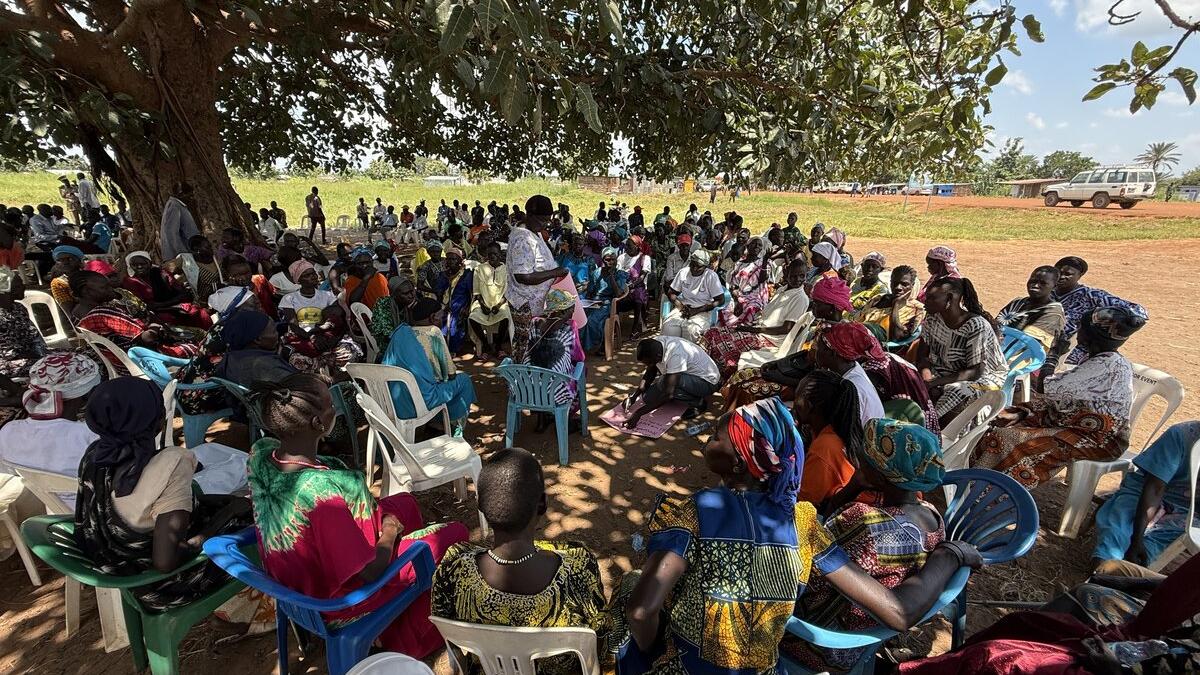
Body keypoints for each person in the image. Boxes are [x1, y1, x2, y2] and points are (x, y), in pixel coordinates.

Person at [613, 398, 982, 675]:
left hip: (688, 666)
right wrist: (949, 554)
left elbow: (641, 610)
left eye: (714, 438)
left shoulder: (693, 513)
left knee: (628, 598)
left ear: (739, 464)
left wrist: (651, 650)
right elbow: (898, 612)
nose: (707, 441)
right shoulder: (804, 522)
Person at [247, 373, 468, 657]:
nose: (336, 409)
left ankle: (401, 608)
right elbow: (370, 571)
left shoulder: (260, 453)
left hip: (294, 577)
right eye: (330, 405)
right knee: (456, 533)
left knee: (405, 504)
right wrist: (388, 532)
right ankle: (403, 637)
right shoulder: (321, 496)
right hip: (338, 598)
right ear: (318, 423)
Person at [74, 376, 252, 611]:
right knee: (260, 524)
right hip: (163, 585)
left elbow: (142, 506)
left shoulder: (96, 454)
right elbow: (165, 562)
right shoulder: (171, 464)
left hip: (118, 566)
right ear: (155, 422)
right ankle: (256, 609)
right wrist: (228, 512)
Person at [788, 419, 946, 673]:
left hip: (818, 641)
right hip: (865, 637)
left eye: (864, 458)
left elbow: (808, 574)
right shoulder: (932, 515)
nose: (857, 460)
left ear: (882, 476)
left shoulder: (863, 522)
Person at [433, 447, 605, 674]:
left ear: (481, 507)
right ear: (542, 505)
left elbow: (444, 623)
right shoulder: (578, 566)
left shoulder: (454, 566)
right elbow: (601, 638)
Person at [973, 306, 1144, 489]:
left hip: (1099, 439)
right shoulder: (1100, 359)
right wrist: (1025, 413)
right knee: (1000, 420)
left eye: (1081, 328)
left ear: (1091, 336)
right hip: (1077, 423)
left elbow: (1046, 386)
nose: (1078, 332)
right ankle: (977, 479)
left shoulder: (1106, 364)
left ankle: (994, 492)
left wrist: (1054, 354)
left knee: (1010, 438)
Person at [1094, 422, 1200, 568]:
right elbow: (1155, 488)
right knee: (1118, 530)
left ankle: (1126, 571)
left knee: (1159, 544)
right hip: (1143, 491)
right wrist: (1136, 540)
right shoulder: (1181, 435)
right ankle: (1102, 568)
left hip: (1186, 508)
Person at [916, 276, 1007, 426]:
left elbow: (975, 372)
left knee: (956, 393)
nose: (925, 301)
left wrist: (934, 383)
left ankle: (939, 432)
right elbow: (922, 355)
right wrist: (926, 377)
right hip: (944, 370)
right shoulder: (932, 319)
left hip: (983, 377)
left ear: (949, 299)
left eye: (931, 298)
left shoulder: (975, 326)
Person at [381, 298, 477, 435]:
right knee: (464, 381)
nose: (442, 320)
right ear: (432, 317)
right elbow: (450, 374)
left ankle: (435, 422)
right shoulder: (433, 332)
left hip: (394, 401)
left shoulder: (400, 333)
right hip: (422, 401)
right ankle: (453, 429)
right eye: (441, 317)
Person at [701, 259, 809, 378]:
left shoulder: (800, 298)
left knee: (721, 343)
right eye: (793, 276)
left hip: (769, 339)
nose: (798, 279)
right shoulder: (781, 290)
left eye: (801, 276)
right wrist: (750, 327)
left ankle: (713, 376)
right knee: (712, 333)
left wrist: (754, 330)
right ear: (786, 273)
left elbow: (786, 328)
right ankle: (702, 368)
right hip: (758, 330)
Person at [1046, 255, 1148, 372]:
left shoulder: (1091, 295)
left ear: (1080, 276)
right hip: (1043, 344)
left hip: (1073, 353)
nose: (1061, 277)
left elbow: (1137, 309)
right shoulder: (1047, 292)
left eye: (1068, 274)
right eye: (1058, 272)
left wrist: (1131, 321)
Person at [72, 271, 200, 358]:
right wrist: (154, 325)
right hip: (139, 357)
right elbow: (148, 338)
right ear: (86, 291)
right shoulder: (105, 314)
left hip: (112, 358)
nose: (111, 290)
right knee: (200, 345)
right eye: (104, 288)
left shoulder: (76, 313)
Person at [506, 195, 569, 362]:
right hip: (524, 303)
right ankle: (520, 383)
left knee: (535, 344)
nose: (545, 224)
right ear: (530, 216)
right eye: (542, 220)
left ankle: (532, 381)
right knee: (526, 345)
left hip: (537, 303)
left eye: (547, 220)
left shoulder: (534, 233)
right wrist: (554, 273)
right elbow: (523, 276)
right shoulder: (522, 238)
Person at [793, 370, 863, 506]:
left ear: (809, 405)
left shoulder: (824, 447)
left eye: (798, 395)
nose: (794, 402)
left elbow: (802, 503)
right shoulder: (837, 429)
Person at [625, 336, 720, 426]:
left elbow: (668, 394)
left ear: (658, 356)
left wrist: (638, 414)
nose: (648, 365)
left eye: (650, 362)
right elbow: (650, 372)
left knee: (665, 382)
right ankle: (682, 395)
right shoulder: (655, 345)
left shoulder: (676, 354)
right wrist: (634, 396)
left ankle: (698, 403)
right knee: (647, 398)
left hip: (707, 383)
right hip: (688, 378)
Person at [812, 322, 887, 424]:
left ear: (832, 353)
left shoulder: (849, 387)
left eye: (817, 347)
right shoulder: (852, 367)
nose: (813, 350)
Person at [123, 251, 211, 329]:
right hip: (155, 313)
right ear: (130, 267)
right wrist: (174, 304)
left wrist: (176, 303)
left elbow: (182, 293)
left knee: (199, 313)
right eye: (135, 265)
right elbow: (146, 306)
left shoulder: (161, 273)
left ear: (149, 264)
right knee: (167, 319)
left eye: (143, 264)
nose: (139, 267)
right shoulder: (131, 282)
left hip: (175, 305)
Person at [214, 310, 297, 386]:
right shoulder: (268, 368)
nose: (277, 334)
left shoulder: (231, 356)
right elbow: (302, 391)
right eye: (273, 331)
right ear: (258, 339)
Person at [996, 265, 1066, 351]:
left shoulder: (1053, 312)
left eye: (1043, 283)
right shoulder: (1017, 302)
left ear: (1054, 286)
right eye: (1033, 281)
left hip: (1017, 358)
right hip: (995, 349)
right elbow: (995, 325)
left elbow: (1025, 344)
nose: (1035, 285)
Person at [662, 250, 725, 343]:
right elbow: (671, 293)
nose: (694, 269)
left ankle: (689, 356)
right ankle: (671, 354)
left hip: (702, 310)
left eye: (699, 267)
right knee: (668, 326)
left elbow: (721, 300)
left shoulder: (711, 276)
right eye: (692, 265)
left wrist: (697, 310)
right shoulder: (683, 272)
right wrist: (681, 306)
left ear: (705, 267)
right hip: (683, 308)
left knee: (692, 330)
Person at [854, 264, 925, 345]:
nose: (898, 287)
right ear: (890, 283)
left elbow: (897, 337)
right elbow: (858, 320)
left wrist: (896, 306)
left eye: (904, 284)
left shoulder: (917, 308)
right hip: (857, 335)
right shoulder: (879, 299)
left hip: (879, 345)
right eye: (895, 283)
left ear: (912, 285)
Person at [468, 242, 511, 359]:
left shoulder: (506, 269)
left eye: (495, 254)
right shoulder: (479, 269)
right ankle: (485, 344)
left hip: (501, 302)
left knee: (506, 316)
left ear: (500, 255)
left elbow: (507, 293)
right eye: (490, 254)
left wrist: (498, 305)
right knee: (473, 317)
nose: (492, 256)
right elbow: (476, 292)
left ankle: (498, 346)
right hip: (483, 302)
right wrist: (482, 305)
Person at [207, 254, 278, 320]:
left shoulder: (259, 280)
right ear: (227, 275)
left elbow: (274, 297)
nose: (244, 278)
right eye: (237, 275)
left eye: (247, 272)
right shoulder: (226, 295)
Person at [719, 237, 768, 327]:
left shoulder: (763, 263)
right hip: (737, 295)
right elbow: (731, 282)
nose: (757, 246)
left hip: (755, 297)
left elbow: (762, 279)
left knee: (751, 310)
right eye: (754, 243)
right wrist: (737, 299)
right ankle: (730, 329)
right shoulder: (737, 263)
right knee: (724, 309)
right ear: (747, 246)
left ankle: (742, 329)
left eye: (760, 245)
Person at [371, 277, 418, 354]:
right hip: (388, 346)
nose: (411, 296)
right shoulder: (383, 304)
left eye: (412, 291)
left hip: (406, 341)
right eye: (406, 293)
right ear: (394, 295)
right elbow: (389, 334)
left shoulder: (412, 303)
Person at [160, 182, 200, 261]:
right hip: (180, 256)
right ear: (181, 194)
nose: (192, 198)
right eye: (190, 195)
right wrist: (183, 254)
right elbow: (171, 233)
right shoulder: (174, 206)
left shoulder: (178, 205)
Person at [343, 247, 390, 311]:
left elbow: (386, 298)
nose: (364, 266)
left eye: (367, 262)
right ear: (354, 265)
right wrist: (366, 279)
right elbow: (353, 301)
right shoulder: (350, 280)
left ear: (372, 262)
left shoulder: (380, 277)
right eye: (360, 263)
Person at [181, 234, 222, 303]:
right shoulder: (187, 261)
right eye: (207, 247)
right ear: (196, 249)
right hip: (203, 302)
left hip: (220, 297)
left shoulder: (216, 260)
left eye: (210, 246)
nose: (211, 249)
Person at [49, 244, 85, 310]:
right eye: (60, 260)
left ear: (79, 261)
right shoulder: (58, 283)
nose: (65, 262)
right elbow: (68, 310)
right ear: (56, 264)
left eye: (70, 259)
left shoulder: (89, 276)